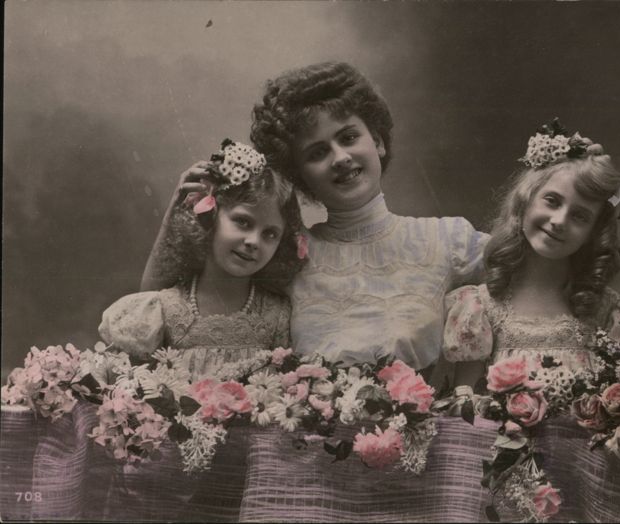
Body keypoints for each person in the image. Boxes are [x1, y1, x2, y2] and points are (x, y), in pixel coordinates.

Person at [142, 62, 489, 375]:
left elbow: (517, 291)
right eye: (317, 153)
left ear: (378, 141)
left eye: (348, 138)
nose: (340, 158)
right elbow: (160, 306)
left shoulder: (447, 240)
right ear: (299, 176)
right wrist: (177, 208)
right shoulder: (287, 252)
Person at [441, 125, 620, 521]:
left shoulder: (610, 315)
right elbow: (464, 414)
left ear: (592, 233)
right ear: (525, 200)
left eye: (580, 216)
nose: (558, 221)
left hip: (587, 495)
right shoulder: (481, 308)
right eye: (552, 201)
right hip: (507, 495)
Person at [101, 140, 305, 379]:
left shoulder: (279, 316)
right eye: (243, 222)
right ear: (210, 215)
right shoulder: (166, 308)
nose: (253, 241)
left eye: (270, 234)